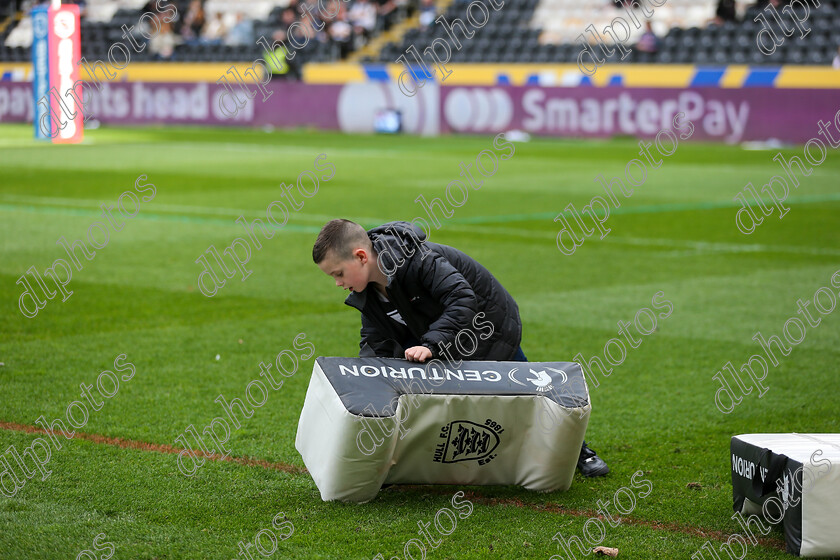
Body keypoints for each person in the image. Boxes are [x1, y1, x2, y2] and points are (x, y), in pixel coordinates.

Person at [312, 219, 610, 477]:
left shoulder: (417, 260)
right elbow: (375, 341)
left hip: (487, 326)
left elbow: (462, 297)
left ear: (361, 256)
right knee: (410, 384)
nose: (337, 283)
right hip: (437, 332)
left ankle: (580, 452)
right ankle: (400, 460)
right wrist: (364, 380)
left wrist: (431, 344)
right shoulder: (368, 292)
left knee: (526, 388)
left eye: (338, 273)